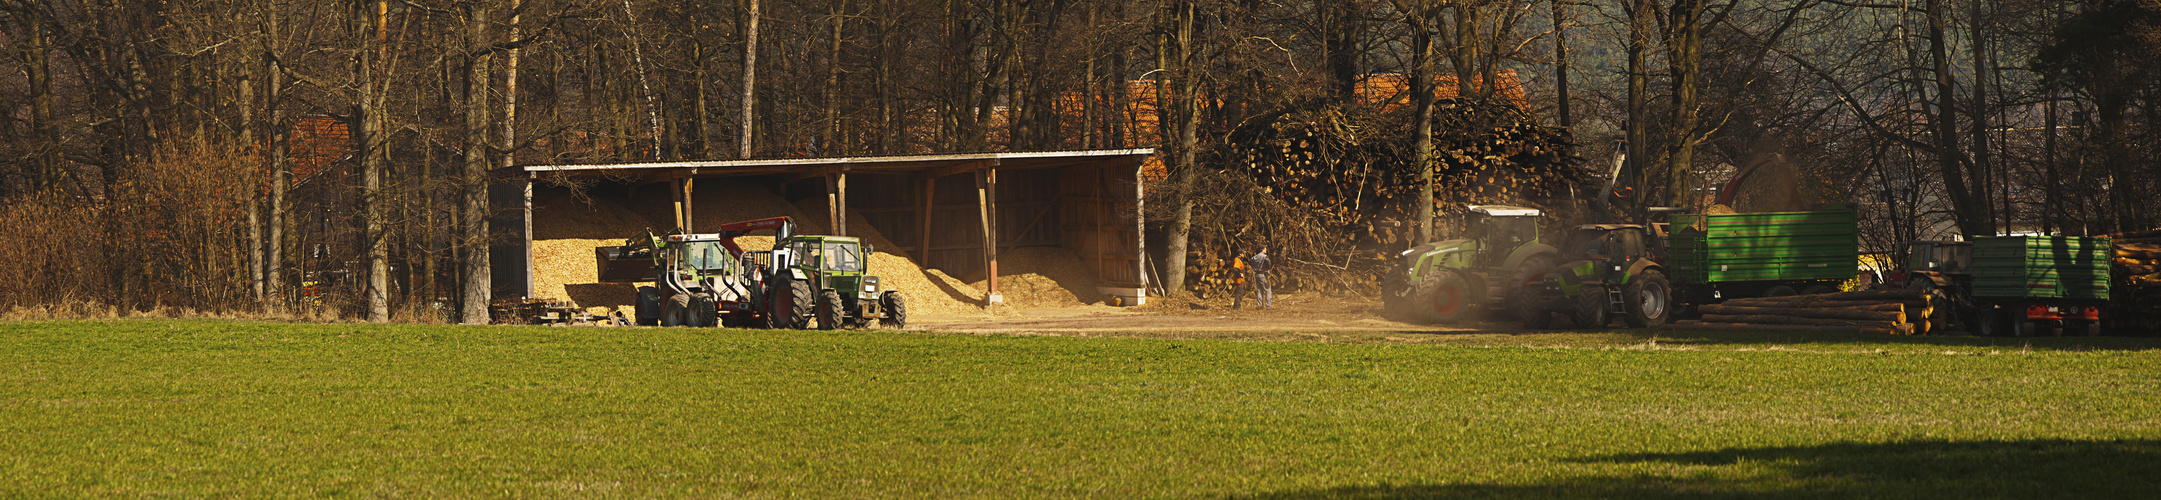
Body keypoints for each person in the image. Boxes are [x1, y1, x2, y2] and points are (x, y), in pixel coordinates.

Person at [1249, 243, 1273, 309]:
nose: (1266, 250)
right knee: (1267, 289)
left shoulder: (1255, 257)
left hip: (1257, 274)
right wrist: (1267, 269)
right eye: (1265, 249)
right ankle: (1268, 306)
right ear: (1262, 249)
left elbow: (1250, 261)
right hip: (1263, 274)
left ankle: (1259, 305)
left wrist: (1254, 267)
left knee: (1259, 290)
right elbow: (1268, 262)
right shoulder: (1264, 256)